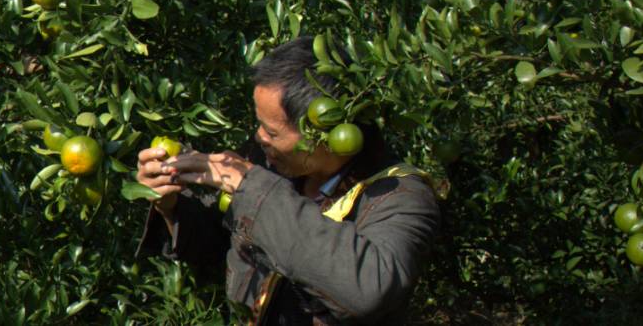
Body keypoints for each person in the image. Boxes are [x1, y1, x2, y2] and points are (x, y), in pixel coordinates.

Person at [135, 36, 441, 325]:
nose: (259, 137)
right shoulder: (272, 162)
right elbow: (216, 243)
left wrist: (253, 188)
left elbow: (369, 289)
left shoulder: (399, 195)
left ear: (322, 132)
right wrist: (171, 204)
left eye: (272, 132)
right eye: (259, 125)